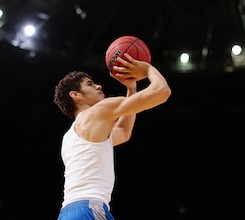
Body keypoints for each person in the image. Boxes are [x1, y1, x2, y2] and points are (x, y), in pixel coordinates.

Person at [53, 53, 171, 220]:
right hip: (89, 209)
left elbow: (123, 132)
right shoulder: (98, 111)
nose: (99, 86)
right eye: (90, 84)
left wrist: (131, 89)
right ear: (75, 95)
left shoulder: (71, 136)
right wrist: (148, 69)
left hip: (70, 212)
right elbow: (162, 92)